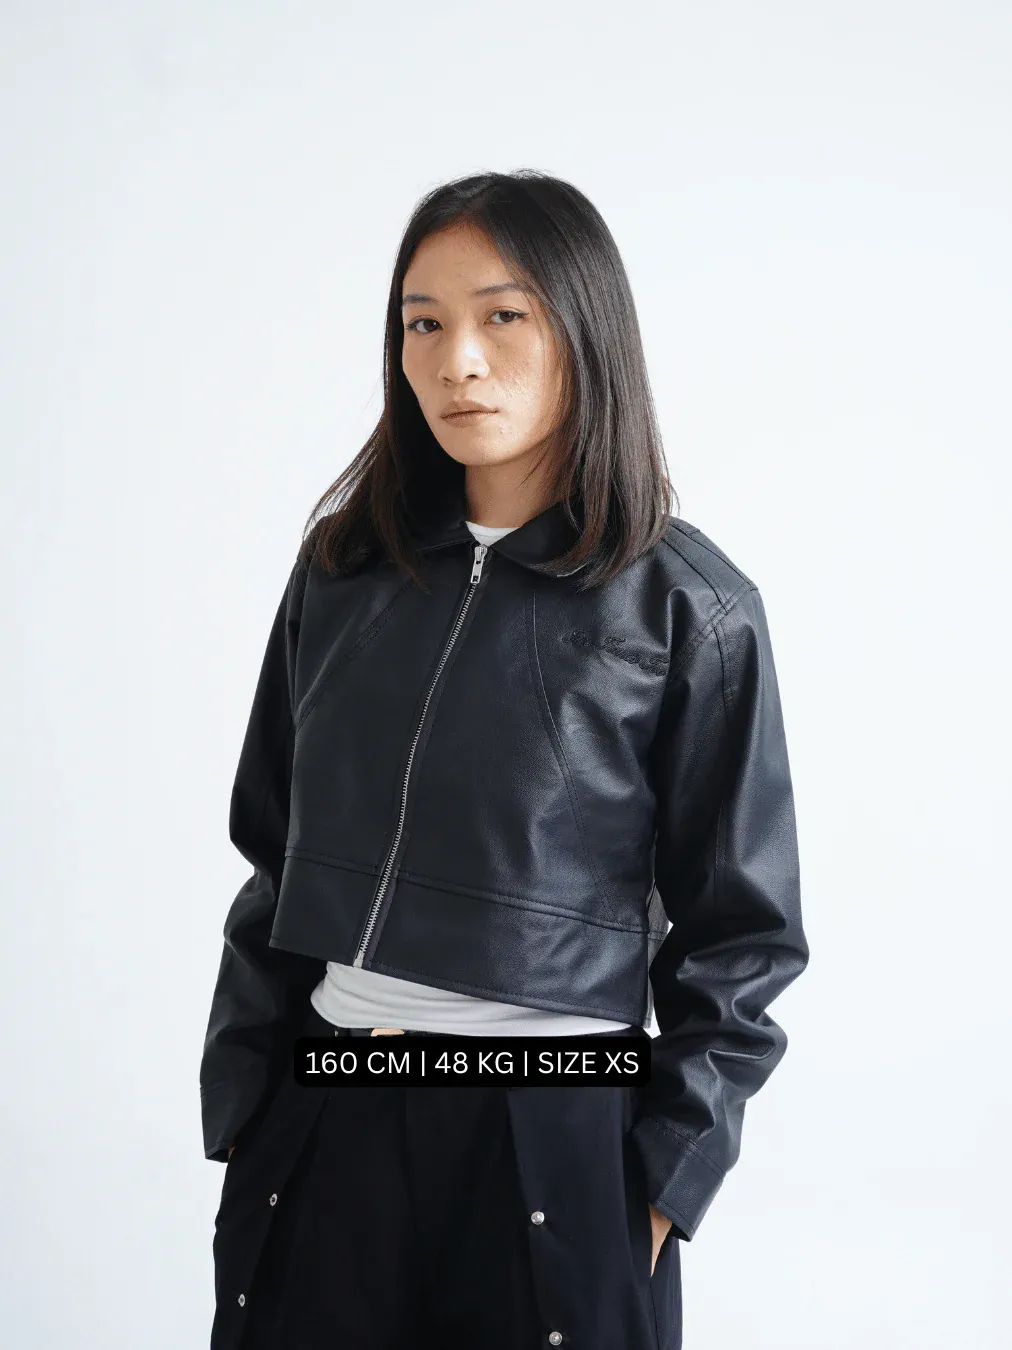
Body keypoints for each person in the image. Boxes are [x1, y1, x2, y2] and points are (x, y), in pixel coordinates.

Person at [200, 169, 810, 1350]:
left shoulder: (687, 606)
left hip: (552, 1134)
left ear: (583, 328)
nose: (458, 361)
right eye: (422, 324)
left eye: (502, 316)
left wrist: (662, 1177)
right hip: (333, 1114)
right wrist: (248, 1106)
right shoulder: (344, 572)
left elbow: (744, 933)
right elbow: (271, 854)